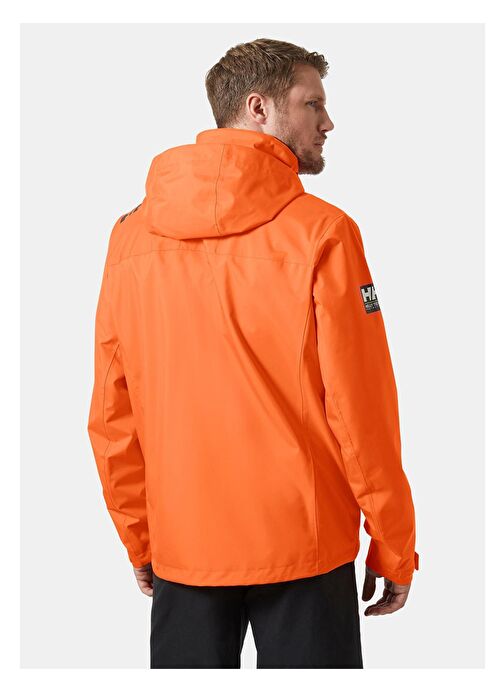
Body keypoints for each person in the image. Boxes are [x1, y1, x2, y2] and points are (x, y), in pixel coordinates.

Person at [87, 37, 420, 669]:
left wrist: (140, 538)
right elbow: (361, 411)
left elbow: (111, 414)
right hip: (306, 550)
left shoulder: (130, 237)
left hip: (184, 549)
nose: (328, 122)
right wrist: (394, 544)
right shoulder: (324, 232)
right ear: (259, 107)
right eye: (312, 103)